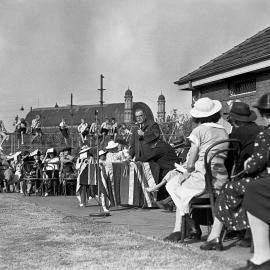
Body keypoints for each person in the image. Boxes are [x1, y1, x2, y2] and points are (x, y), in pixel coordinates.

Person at [200, 93, 270, 252]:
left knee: (228, 188)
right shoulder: (260, 129)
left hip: (258, 178)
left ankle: (215, 237)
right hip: (260, 177)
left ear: (235, 120)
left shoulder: (240, 135)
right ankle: (246, 235)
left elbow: (232, 161)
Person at [162, 97, 229, 242]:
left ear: (197, 115)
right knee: (179, 186)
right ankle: (190, 226)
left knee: (173, 184)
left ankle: (180, 228)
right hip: (220, 180)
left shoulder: (198, 131)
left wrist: (185, 172)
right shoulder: (224, 131)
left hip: (202, 181)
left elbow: (191, 164)